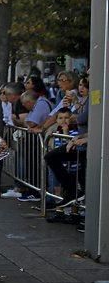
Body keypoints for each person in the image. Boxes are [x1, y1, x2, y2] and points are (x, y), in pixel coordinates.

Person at [45, 76, 89, 207]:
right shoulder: (82, 101)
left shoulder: (90, 102)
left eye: (84, 85)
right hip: (80, 141)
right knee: (51, 157)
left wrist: (83, 138)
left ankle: (74, 192)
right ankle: (72, 191)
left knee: (80, 174)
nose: (81, 88)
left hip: (86, 146)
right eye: (80, 85)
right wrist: (80, 138)